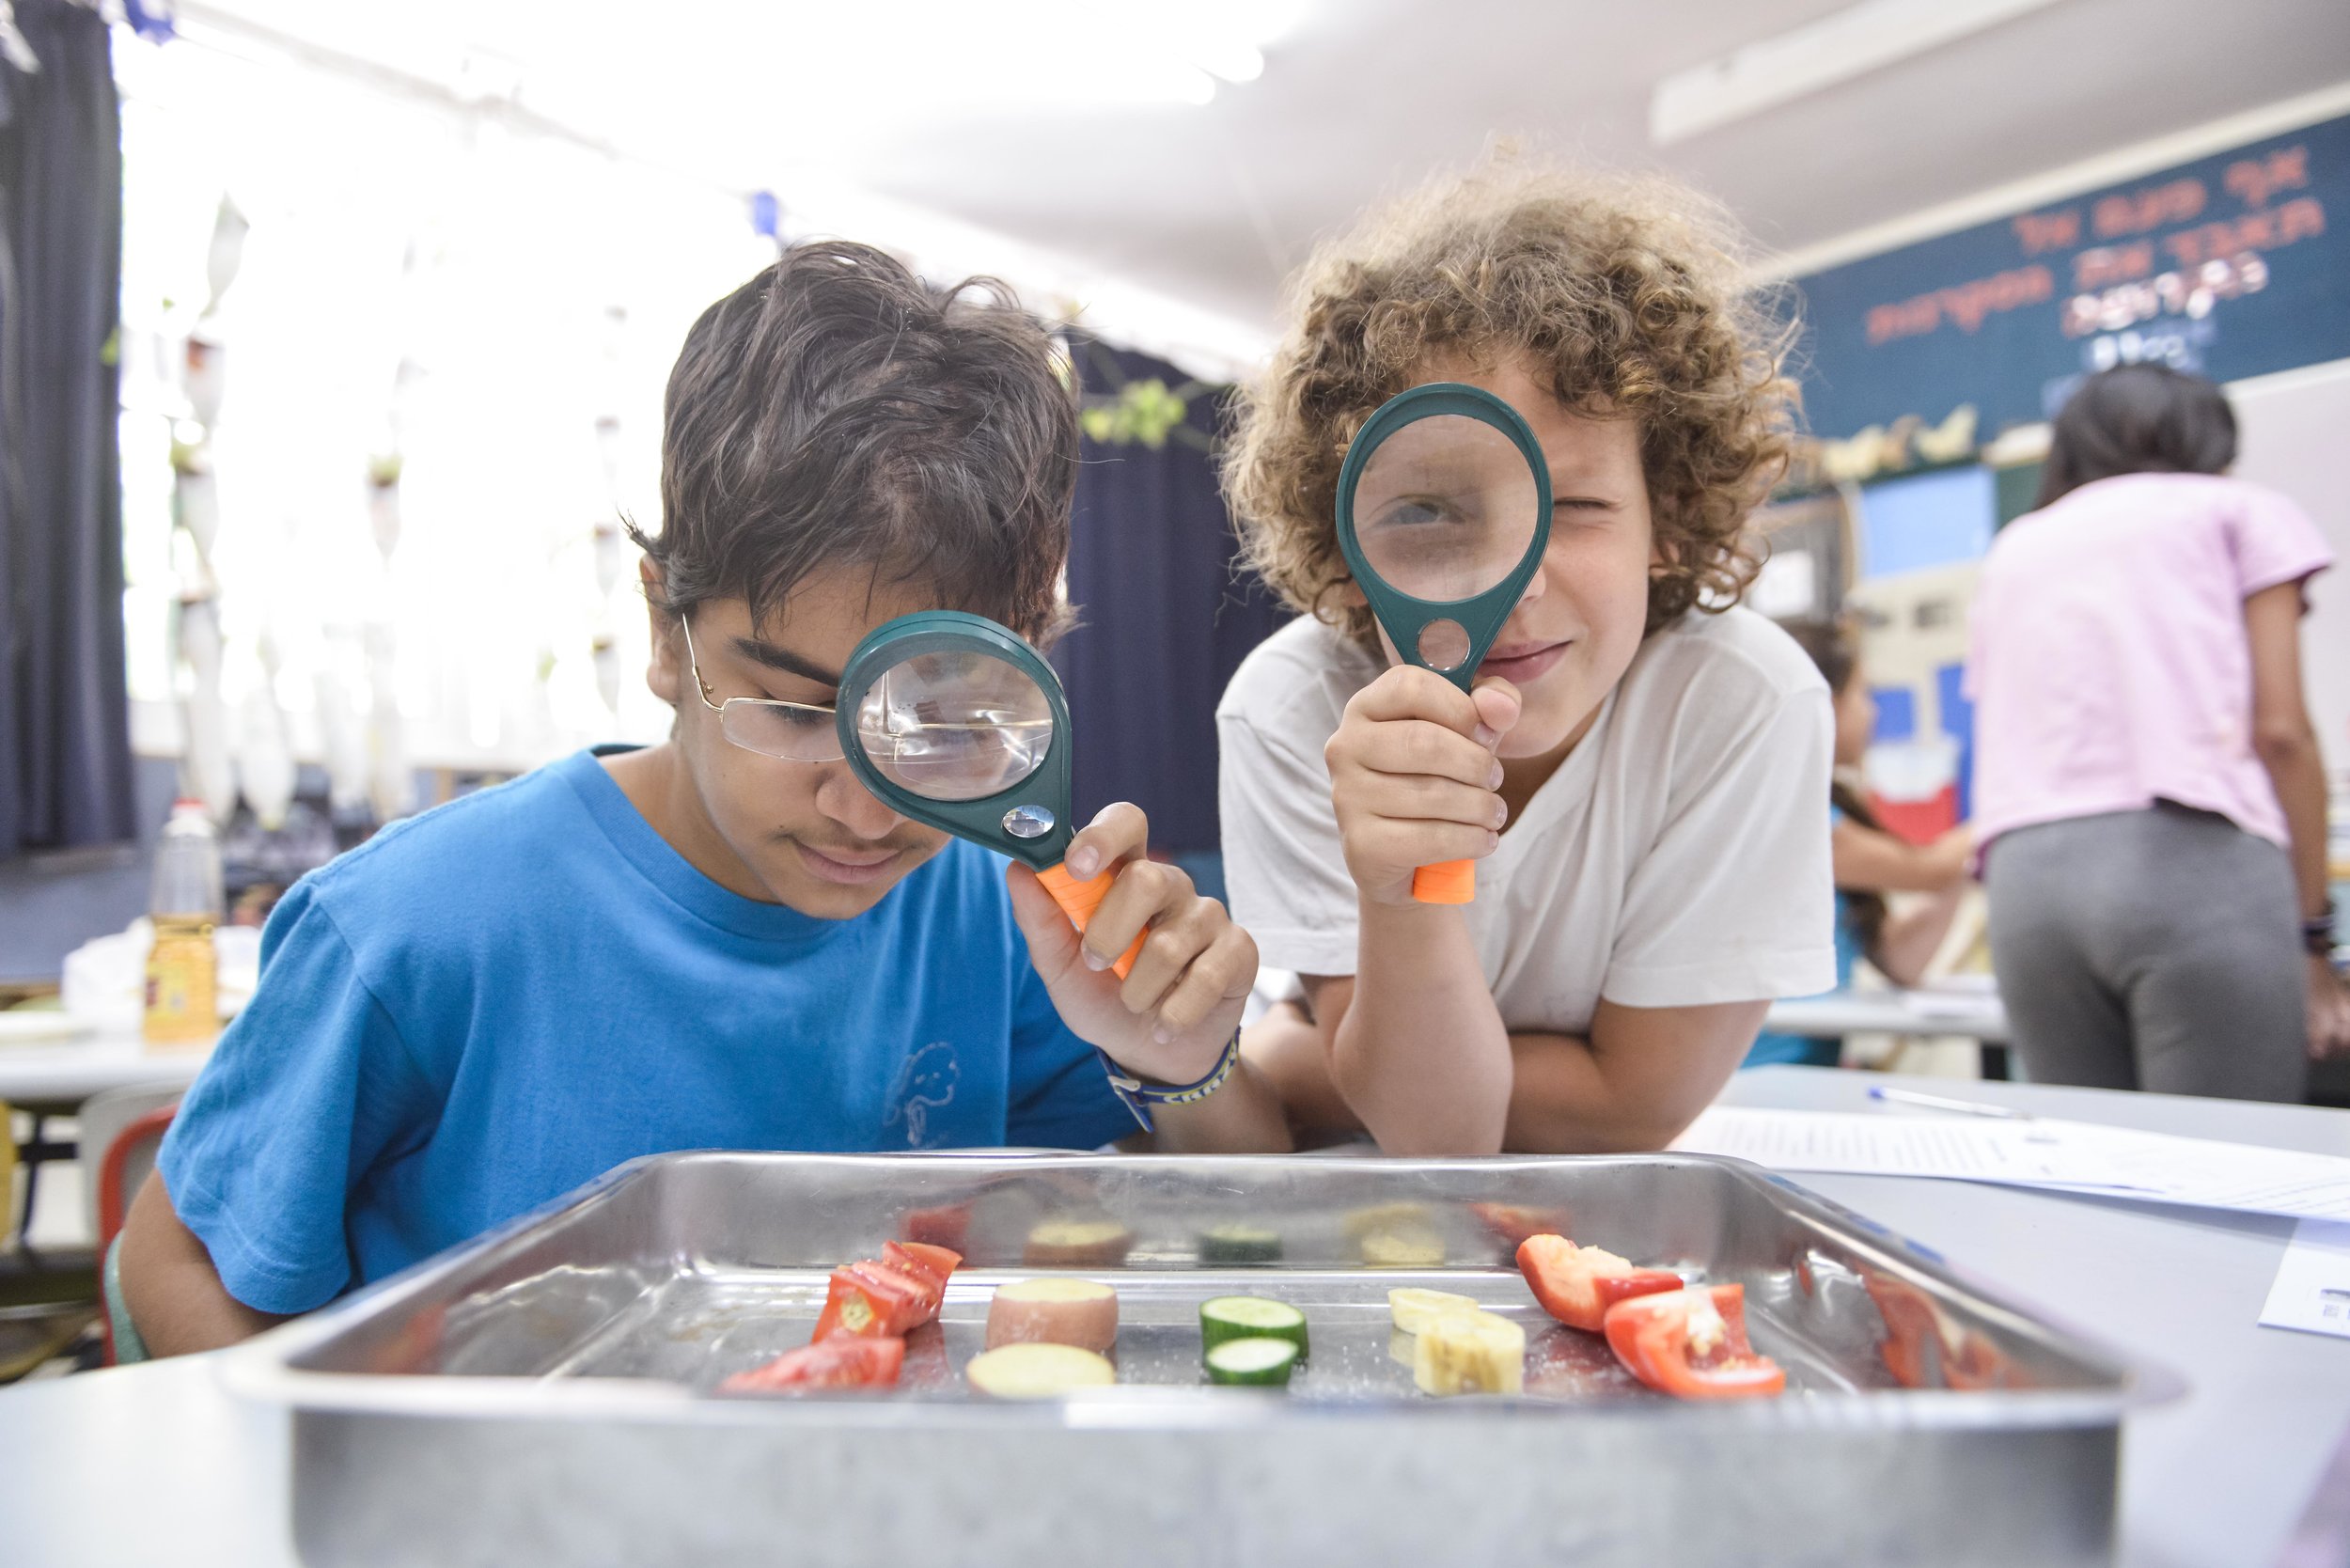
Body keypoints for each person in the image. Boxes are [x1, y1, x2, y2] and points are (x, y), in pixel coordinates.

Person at [119, 242, 1290, 1356]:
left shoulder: (1001, 920)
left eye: (937, 725)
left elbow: (1239, 1218)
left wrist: (1179, 1060)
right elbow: (168, 1261)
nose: (867, 810)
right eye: (789, 711)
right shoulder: (415, 930)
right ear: (664, 637)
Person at [1216, 160, 1835, 1156]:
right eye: (1428, 513)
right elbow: (1434, 1132)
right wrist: (1401, 896)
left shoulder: (1746, 703)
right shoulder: (1295, 704)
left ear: (1665, 521)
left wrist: (1321, 1073)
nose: (1514, 580)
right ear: (1348, 545)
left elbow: (1635, 1113)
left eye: (1578, 507)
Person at [1968, 363, 2350, 1098]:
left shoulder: (2016, 546)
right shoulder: (2236, 510)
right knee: (2228, 1176)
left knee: (2086, 1173)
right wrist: (2312, 939)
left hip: (2026, 885)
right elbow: (2280, 734)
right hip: (2190, 863)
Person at [1743, 619, 1972, 1068]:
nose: (1872, 713)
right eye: (1863, 695)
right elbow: (1928, 870)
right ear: (1822, 703)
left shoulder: (1822, 806)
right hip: (1764, 1073)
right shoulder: (1792, 817)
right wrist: (2005, 813)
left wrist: (1963, 870)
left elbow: (1900, 960)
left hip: (1810, 1064)